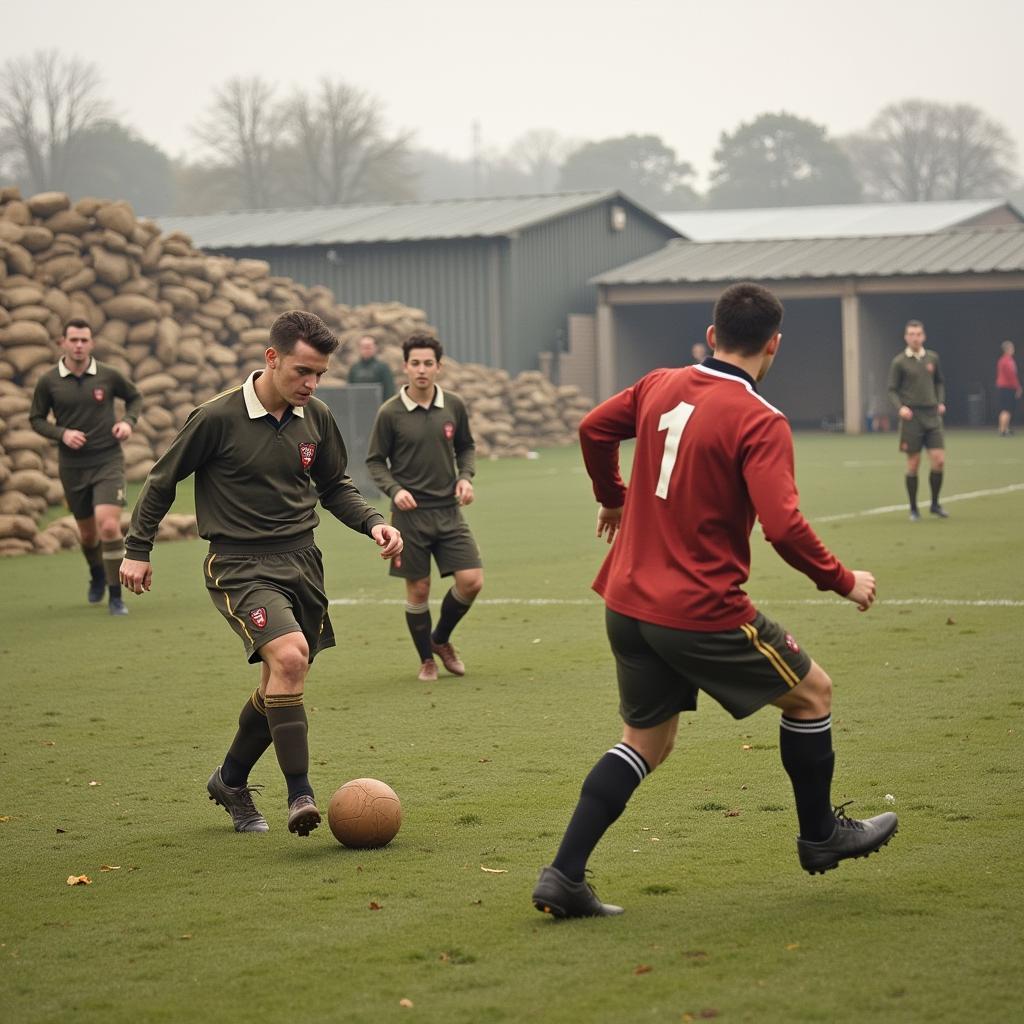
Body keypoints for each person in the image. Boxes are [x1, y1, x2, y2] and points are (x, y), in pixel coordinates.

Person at [531, 282, 897, 920]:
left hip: (626, 601)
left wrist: (611, 494)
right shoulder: (760, 419)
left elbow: (593, 428)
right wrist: (843, 579)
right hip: (697, 610)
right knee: (813, 694)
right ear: (773, 346)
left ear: (711, 335)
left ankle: (563, 875)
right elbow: (783, 527)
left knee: (646, 741)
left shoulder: (657, 384)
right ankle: (820, 837)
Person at [119, 310, 402, 837]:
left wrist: (374, 524)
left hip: (303, 560)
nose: (311, 383)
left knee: (281, 678)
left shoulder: (315, 415)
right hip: (239, 563)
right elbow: (161, 481)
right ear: (271, 358)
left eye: (318, 373)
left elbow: (335, 485)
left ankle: (229, 779)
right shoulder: (216, 417)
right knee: (290, 656)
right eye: (301, 371)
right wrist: (138, 548)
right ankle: (302, 794)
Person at [366, 332, 482, 682]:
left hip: (448, 510)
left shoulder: (454, 405)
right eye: (415, 363)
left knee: (471, 581)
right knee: (419, 590)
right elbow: (374, 462)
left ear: (438, 367)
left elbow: (466, 447)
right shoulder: (390, 412)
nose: (421, 370)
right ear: (405, 367)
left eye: (428, 363)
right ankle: (426, 661)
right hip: (409, 518)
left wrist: (465, 477)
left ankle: (440, 640)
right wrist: (394, 489)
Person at [30, 318, 142, 615]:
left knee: (108, 524)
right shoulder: (48, 381)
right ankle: (96, 573)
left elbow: (135, 398)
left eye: (84, 340)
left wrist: (127, 423)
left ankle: (116, 596)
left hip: (107, 459)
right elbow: (36, 419)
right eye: (74, 340)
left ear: (91, 343)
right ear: (63, 343)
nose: (79, 345)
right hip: (72, 467)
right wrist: (62, 433)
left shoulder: (108, 375)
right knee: (88, 534)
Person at [887, 320, 948, 520]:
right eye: (911, 334)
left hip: (932, 416)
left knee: (939, 460)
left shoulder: (932, 358)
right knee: (913, 464)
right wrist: (901, 408)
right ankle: (914, 509)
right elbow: (892, 390)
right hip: (912, 418)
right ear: (906, 337)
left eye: (918, 334)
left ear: (924, 336)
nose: (915, 337)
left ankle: (935, 504)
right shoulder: (899, 362)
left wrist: (940, 402)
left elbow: (939, 382)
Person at [347, 334, 396, 402]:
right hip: (358, 406)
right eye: (364, 347)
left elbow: (389, 391)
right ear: (359, 348)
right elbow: (349, 391)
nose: (366, 350)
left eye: (369, 347)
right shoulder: (354, 368)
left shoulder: (383, 368)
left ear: (375, 348)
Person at [995, 340, 1021, 436]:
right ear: (1007, 349)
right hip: (1007, 387)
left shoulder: (1005, 360)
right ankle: (1002, 429)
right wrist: (1017, 387)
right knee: (1006, 409)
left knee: (1008, 409)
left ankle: (1005, 429)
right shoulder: (1006, 361)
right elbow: (1011, 375)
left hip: (1005, 387)